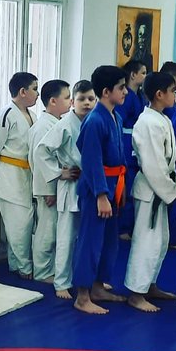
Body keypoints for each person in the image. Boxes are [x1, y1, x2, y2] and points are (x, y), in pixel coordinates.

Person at [72, 65, 128, 315]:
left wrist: (118, 189)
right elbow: (91, 161)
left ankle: (97, 287)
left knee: (108, 242)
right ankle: (82, 296)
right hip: (97, 189)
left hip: (114, 185)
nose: (125, 92)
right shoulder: (95, 120)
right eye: (121, 88)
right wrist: (101, 195)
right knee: (90, 242)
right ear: (106, 91)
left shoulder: (115, 116)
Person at [124, 72, 176, 312]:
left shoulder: (161, 119)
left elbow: (167, 161)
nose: (175, 95)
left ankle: (150, 285)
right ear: (159, 94)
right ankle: (136, 293)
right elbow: (152, 164)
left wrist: (174, 181)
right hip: (150, 189)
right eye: (172, 91)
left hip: (160, 187)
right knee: (146, 242)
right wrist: (170, 191)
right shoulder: (148, 122)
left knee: (160, 241)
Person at [34, 80, 96, 299]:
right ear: (72, 102)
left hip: (90, 185)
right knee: (66, 237)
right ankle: (61, 283)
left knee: (86, 238)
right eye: (81, 99)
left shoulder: (93, 121)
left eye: (91, 99)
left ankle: (87, 280)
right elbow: (41, 150)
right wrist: (60, 172)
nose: (86, 103)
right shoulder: (65, 124)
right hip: (71, 184)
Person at [0, 72, 38, 279]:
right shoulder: (5, 114)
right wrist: (0, 163)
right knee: (18, 225)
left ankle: (16, 265)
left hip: (27, 174)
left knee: (25, 223)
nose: (37, 93)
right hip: (9, 174)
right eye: (34, 89)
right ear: (22, 91)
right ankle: (25, 268)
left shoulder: (33, 116)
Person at [28, 79, 72, 283]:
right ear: (53, 101)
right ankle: (42, 272)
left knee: (53, 230)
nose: (71, 101)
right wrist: (49, 190)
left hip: (56, 185)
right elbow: (39, 160)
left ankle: (51, 268)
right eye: (67, 97)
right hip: (48, 187)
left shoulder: (55, 123)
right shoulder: (43, 127)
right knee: (46, 232)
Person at [117, 60, 148, 239]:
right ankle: (122, 228)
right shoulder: (126, 97)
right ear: (133, 75)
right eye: (142, 72)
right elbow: (120, 121)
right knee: (126, 187)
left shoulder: (140, 96)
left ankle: (129, 225)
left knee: (133, 186)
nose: (145, 76)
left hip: (137, 142)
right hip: (127, 142)